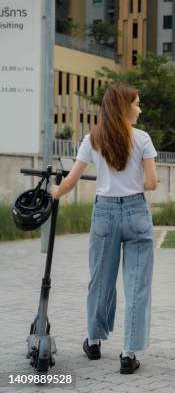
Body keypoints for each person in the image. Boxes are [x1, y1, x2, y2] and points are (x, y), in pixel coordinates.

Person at [50, 83, 158, 374]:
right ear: (125, 107)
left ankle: (94, 341)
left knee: (100, 279)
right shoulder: (143, 139)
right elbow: (152, 183)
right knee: (137, 285)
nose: (140, 108)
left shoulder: (92, 138)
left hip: (105, 214)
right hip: (136, 211)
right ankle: (128, 353)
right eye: (136, 103)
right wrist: (134, 182)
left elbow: (71, 181)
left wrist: (55, 192)